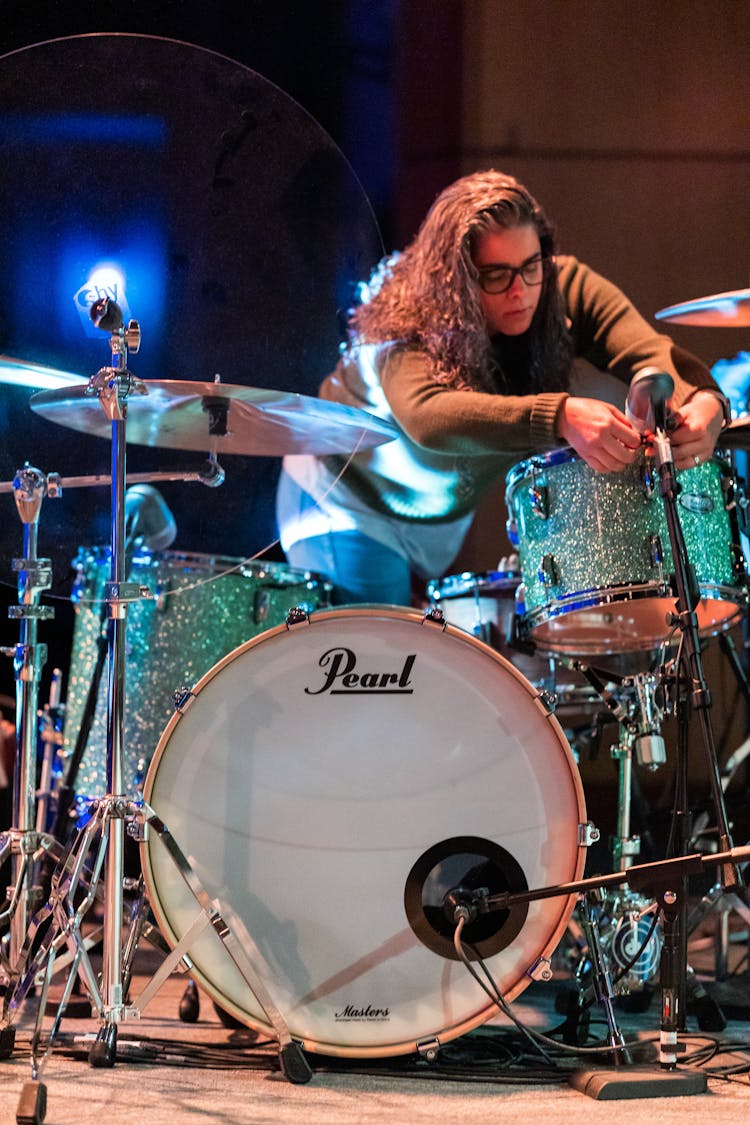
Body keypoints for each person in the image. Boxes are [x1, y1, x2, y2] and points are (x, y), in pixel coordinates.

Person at [276, 170, 729, 606]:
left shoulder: (558, 285)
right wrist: (560, 416)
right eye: (496, 275)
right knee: (380, 674)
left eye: (531, 266)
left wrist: (706, 402)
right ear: (454, 278)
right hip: (343, 499)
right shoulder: (405, 317)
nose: (521, 291)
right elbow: (428, 417)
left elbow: (648, 350)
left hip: (431, 517)